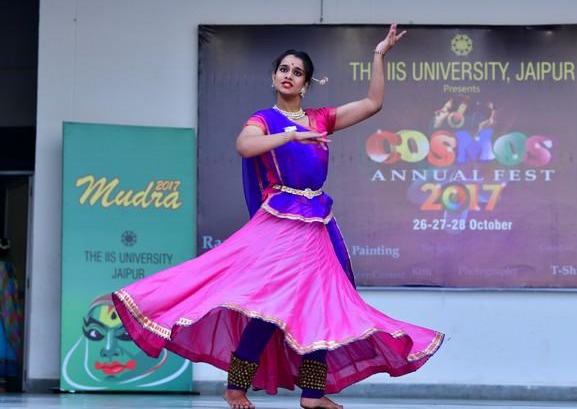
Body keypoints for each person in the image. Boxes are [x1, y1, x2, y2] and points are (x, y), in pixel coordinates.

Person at [112, 24, 443, 409]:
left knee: (323, 303)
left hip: (318, 223)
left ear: (305, 84)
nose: (289, 75)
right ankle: (235, 387)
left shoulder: (320, 118)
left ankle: (313, 395)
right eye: (283, 69)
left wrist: (379, 54)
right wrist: (290, 134)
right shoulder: (264, 120)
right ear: (274, 77)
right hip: (283, 222)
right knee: (269, 306)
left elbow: (373, 103)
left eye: (297, 72)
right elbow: (244, 146)